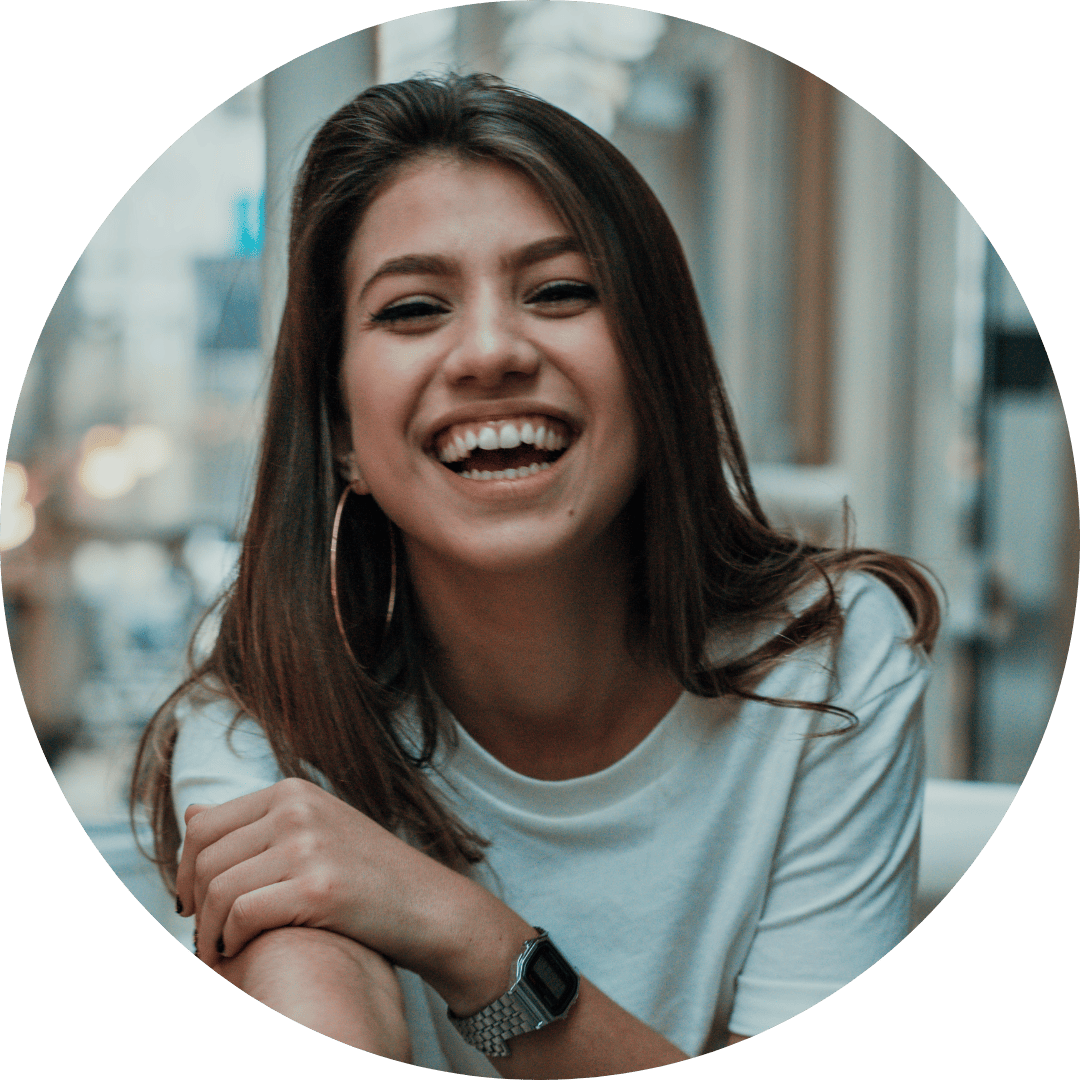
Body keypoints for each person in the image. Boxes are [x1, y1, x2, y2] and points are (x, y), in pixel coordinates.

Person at [132, 73, 939, 1078]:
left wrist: (468, 937)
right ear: (342, 432)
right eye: (415, 308)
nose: (490, 352)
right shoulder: (268, 733)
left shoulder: (831, 667)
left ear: (657, 365)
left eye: (559, 291)